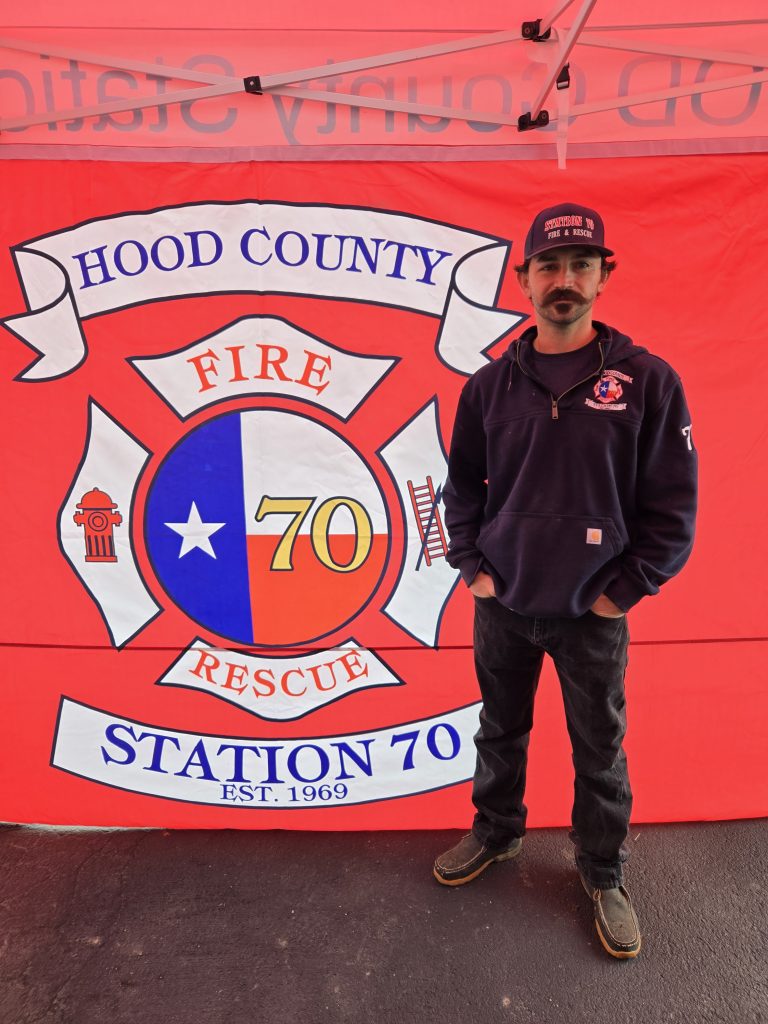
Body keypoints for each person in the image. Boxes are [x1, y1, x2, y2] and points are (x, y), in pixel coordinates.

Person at [435, 202, 697, 959]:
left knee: (600, 746)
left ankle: (603, 870)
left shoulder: (647, 382)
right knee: (500, 729)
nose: (564, 280)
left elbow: (672, 504)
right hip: (505, 604)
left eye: (581, 265)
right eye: (548, 266)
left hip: (593, 611)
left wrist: (625, 589)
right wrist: (473, 568)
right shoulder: (488, 387)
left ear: (603, 276)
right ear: (523, 281)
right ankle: (497, 832)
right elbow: (460, 488)